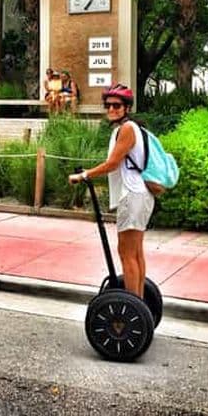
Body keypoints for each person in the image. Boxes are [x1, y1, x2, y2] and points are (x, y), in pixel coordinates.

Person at [68, 83, 153, 299]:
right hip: (140, 195)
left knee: (127, 254)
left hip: (132, 195)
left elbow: (112, 163)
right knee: (135, 253)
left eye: (117, 105)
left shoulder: (126, 129)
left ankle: (133, 307)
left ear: (127, 108)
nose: (111, 109)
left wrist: (84, 175)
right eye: (108, 106)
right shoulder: (134, 128)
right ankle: (139, 303)